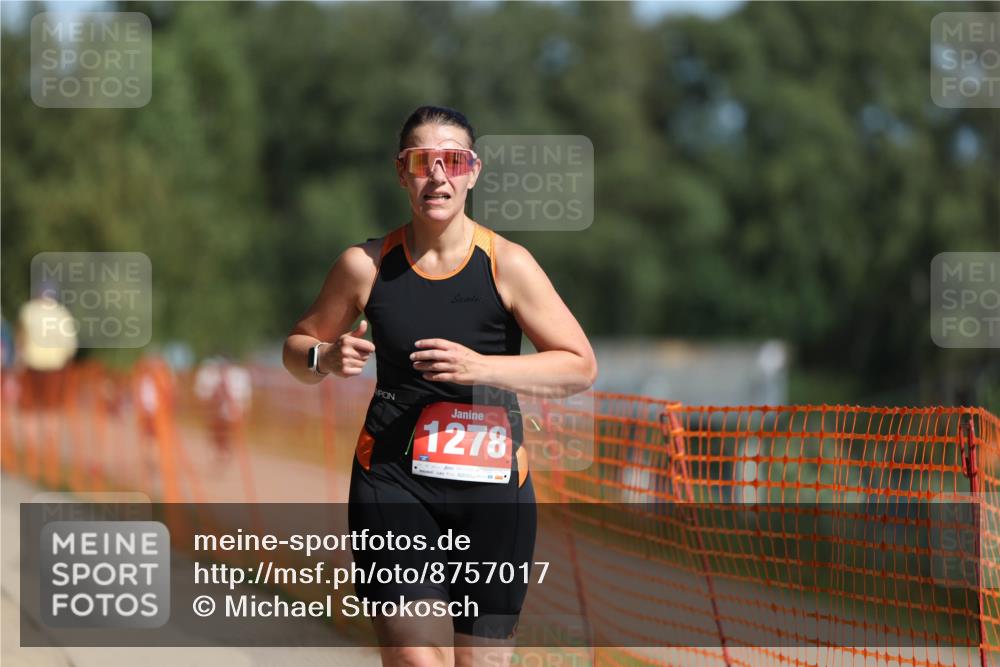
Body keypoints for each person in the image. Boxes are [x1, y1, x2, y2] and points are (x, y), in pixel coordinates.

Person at [283, 105, 597, 667]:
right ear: (401, 172)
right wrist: (326, 357)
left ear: (473, 171)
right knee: (412, 655)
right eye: (423, 161)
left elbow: (579, 365)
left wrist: (485, 369)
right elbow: (296, 349)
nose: (438, 176)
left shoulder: (508, 264)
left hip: (494, 488)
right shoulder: (366, 265)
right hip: (392, 479)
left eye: (453, 160)